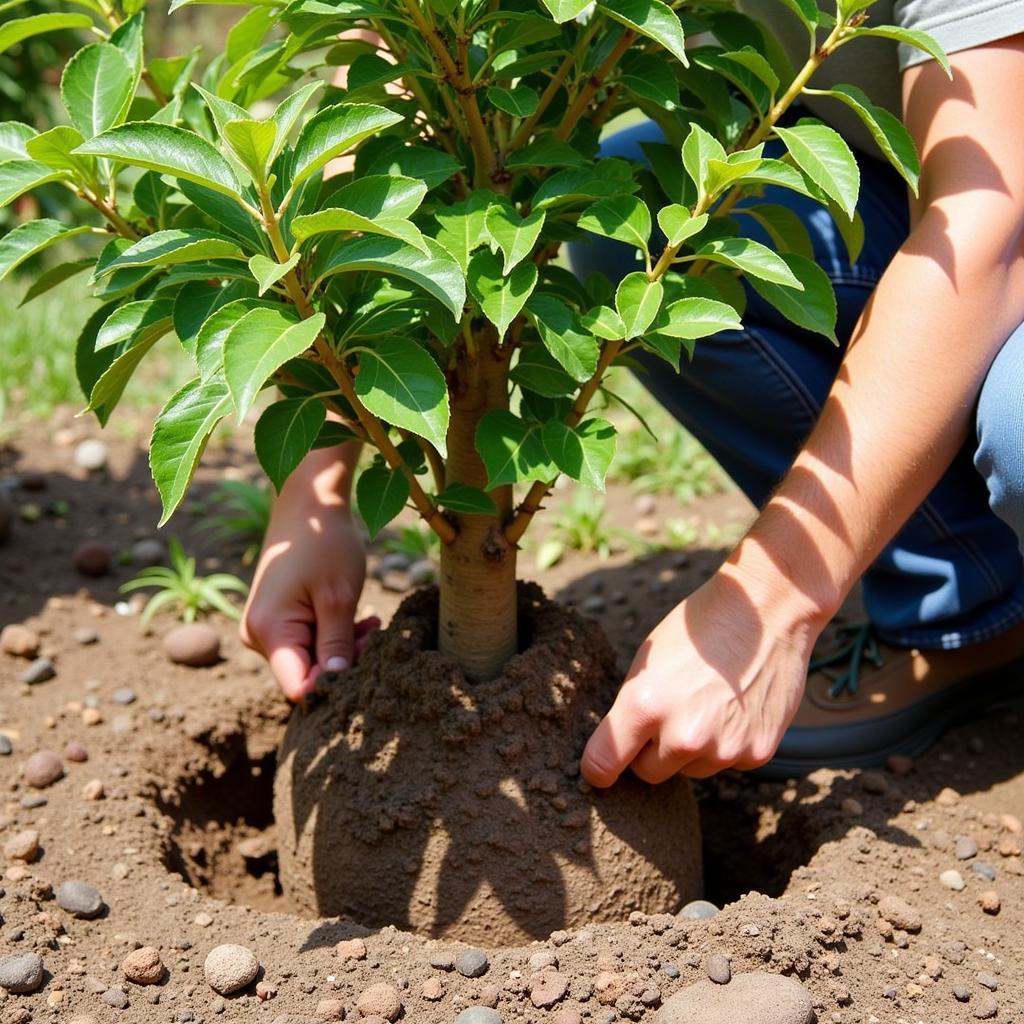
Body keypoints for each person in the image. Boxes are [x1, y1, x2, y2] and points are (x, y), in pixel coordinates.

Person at [241, 1, 1024, 786]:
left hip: (996, 198)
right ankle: (969, 609)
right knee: (644, 240)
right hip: (916, 177)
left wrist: (772, 605)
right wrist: (314, 490)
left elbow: (993, 226)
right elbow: (390, 63)